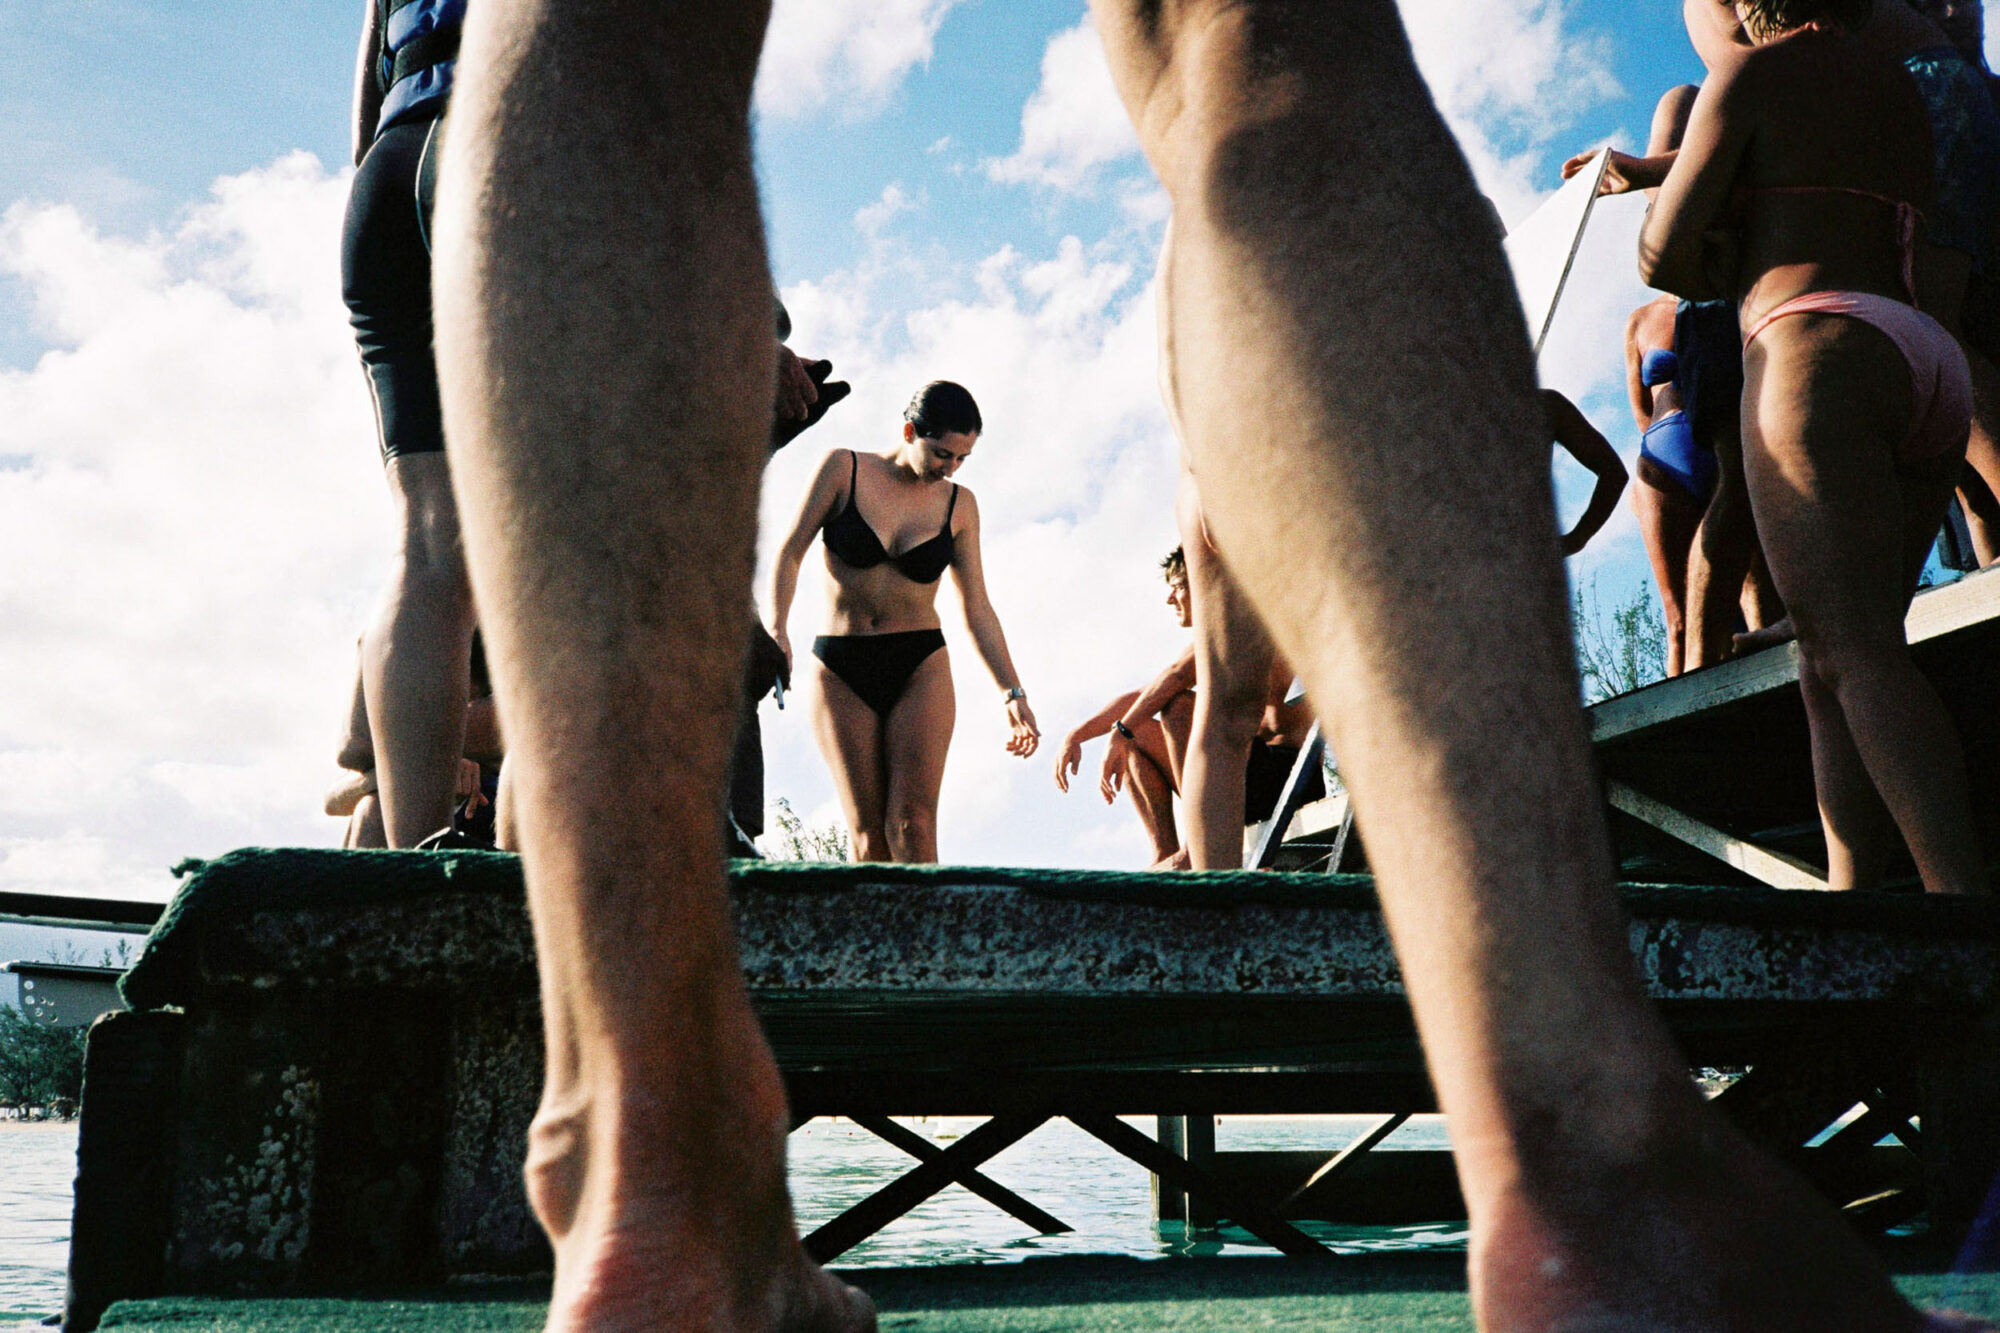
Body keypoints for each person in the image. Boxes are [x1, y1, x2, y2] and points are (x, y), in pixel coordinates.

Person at [432, 0, 1989, 1326]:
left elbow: (1009, 617)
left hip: (944, 650)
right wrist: (786, 620)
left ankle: (645, 1155)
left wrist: (1027, 691)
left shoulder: (968, 510)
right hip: (865, 650)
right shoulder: (851, 469)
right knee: (1254, 28)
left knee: (613, 23)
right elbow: (812, 564)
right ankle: (1587, 1157)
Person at [1642, 0, 1987, 898]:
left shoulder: (1753, 75)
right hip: (1924, 356)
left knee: (1857, 655)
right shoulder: (1897, 85)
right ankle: (1851, 893)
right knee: (1832, 656)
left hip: (1816, 350)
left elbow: (1659, 256)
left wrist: (1729, 252)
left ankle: (1965, 910)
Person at [766, 382, 1040, 863]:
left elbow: (977, 606)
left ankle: (929, 917)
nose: (950, 468)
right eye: (942, 454)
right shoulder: (843, 469)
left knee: (913, 824)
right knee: (869, 839)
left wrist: (1011, 691)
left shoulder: (960, 505)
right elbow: (789, 554)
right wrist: (778, 629)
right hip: (841, 665)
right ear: (911, 431)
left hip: (919, 662)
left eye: (962, 458)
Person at [341, 0, 478, 847]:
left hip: (384, 177)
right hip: (499, 139)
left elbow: (370, 77)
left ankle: (419, 856)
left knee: (429, 538)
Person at [1055, 547, 1321, 867]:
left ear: (1205, 584)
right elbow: (1147, 694)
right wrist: (1077, 735)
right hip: (1241, 777)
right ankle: (1165, 853)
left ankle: (1197, 844)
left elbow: (1175, 679)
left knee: (1176, 708)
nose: (1170, 599)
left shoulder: (1246, 623)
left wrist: (1120, 732)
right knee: (1139, 730)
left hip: (1289, 778)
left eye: (1178, 587)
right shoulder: (1213, 641)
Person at [1544, 388, 1627, 557]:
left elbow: (1614, 473)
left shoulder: (1547, 405)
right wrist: (1577, 540)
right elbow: (1614, 473)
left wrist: (1577, 539)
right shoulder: (1547, 404)